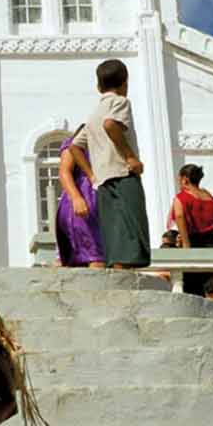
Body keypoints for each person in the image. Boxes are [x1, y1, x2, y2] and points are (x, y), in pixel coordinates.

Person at [70, 59, 150, 269]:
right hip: (123, 175)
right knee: (132, 229)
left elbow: (75, 147)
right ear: (125, 83)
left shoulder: (93, 115)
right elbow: (111, 125)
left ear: (98, 87)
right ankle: (127, 272)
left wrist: (91, 175)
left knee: (115, 232)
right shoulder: (120, 102)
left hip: (103, 181)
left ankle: (119, 269)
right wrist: (130, 157)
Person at [168, 164, 213, 295]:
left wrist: (186, 244)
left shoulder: (181, 197)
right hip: (212, 245)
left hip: (194, 244)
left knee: (194, 289)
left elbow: (180, 216)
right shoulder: (209, 197)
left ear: (184, 179)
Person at [54, 128, 104, 268]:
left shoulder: (103, 145)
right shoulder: (74, 143)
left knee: (97, 254)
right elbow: (64, 171)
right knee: (94, 254)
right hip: (82, 198)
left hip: (100, 200)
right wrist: (76, 197)